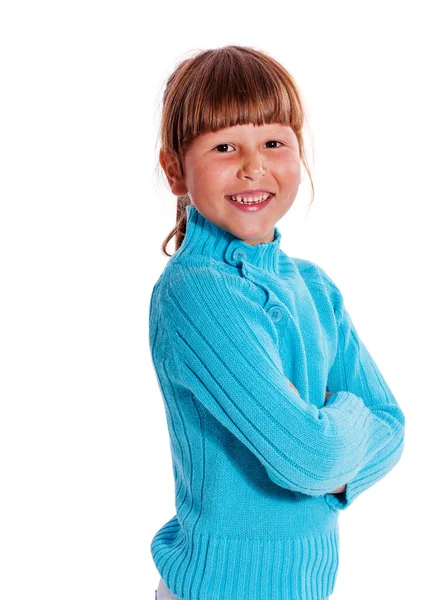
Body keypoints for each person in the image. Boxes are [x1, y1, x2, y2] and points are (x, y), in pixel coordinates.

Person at [149, 45, 405, 600]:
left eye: (272, 142)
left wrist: (327, 419)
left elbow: (391, 427)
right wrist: (340, 421)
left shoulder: (313, 286)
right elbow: (307, 459)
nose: (253, 166)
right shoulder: (198, 294)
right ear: (175, 170)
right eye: (224, 146)